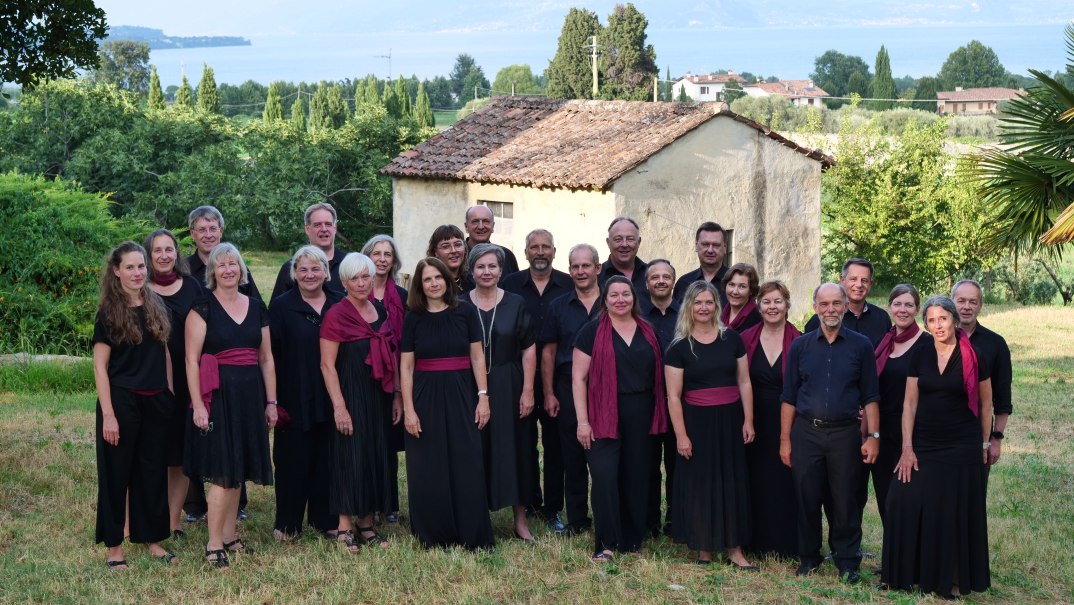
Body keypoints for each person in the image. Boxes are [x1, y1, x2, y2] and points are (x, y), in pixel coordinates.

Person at [882, 296, 993, 599]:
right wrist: (907, 447)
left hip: (962, 444)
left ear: (955, 320)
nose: (938, 325)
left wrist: (985, 443)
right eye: (931, 320)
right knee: (900, 498)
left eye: (943, 318)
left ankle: (952, 579)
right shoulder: (920, 353)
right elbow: (909, 403)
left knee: (952, 510)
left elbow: (986, 405)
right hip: (924, 442)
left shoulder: (976, 355)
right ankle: (906, 574)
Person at [184, 243, 278, 569]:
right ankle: (213, 544)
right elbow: (191, 361)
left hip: (250, 396)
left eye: (233, 264)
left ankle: (229, 536)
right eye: (221, 265)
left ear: (241, 269)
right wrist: (198, 405)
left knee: (238, 471)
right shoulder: (202, 308)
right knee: (224, 471)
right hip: (218, 396)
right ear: (212, 271)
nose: (228, 269)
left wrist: (271, 402)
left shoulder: (257, 307)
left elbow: (266, 358)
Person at [780, 283, 880, 584]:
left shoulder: (861, 346)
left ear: (846, 306)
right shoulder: (800, 346)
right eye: (824, 304)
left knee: (845, 499)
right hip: (806, 433)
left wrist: (873, 437)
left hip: (845, 434)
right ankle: (808, 557)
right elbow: (789, 397)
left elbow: (871, 396)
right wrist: (785, 440)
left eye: (836, 303)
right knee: (806, 497)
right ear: (815, 308)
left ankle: (847, 560)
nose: (830, 309)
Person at [400, 257, 494, 549]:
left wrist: (483, 397)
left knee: (467, 460)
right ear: (420, 285)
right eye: (427, 279)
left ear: (447, 279)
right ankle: (433, 534)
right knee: (429, 463)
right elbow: (406, 367)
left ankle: (470, 532)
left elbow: (477, 357)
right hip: (424, 396)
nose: (434, 283)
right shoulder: (413, 317)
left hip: (462, 393)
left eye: (438, 277)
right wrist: (409, 410)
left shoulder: (465, 311)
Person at [572, 276, 668, 562]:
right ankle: (606, 543)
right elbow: (578, 379)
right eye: (614, 295)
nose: (620, 300)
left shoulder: (648, 330)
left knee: (636, 475)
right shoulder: (591, 332)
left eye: (626, 294)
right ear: (605, 299)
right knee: (604, 476)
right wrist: (582, 422)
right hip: (602, 413)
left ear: (634, 298)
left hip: (642, 412)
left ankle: (631, 540)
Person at [93, 242, 176, 569]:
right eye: (130, 267)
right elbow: (100, 367)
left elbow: (164, 352)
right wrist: (109, 415)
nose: (137, 272)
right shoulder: (108, 312)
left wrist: (168, 393)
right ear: (116, 271)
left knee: (152, 473)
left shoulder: (156, 304)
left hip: (155, 401)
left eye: (141, 266)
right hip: (122, 401)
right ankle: (115, 548)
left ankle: (151, 538)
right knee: (116, 475)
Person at [665, 281, 756, 568]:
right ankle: (704, 548)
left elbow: (744, 381)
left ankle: (735, 550)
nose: (703, 308)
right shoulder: (679, 347)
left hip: (731, 420)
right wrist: (681, 435)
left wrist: (749, 420)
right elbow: (673, 396)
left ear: (717, 305)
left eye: (709, 302)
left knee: (732, 480)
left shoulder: (732, 339)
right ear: (689, 307)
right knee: (701, 483)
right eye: (698, 302)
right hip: (697, 422)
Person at [320, 252, 398, 551]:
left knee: (374, 454)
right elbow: (327, 365)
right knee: (349, 458)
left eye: (366, 276)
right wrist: (339, 407)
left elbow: (391, 354)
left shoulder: (379, 310)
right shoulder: (336, 314)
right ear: (344, 282)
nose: (362, 283)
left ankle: (366, 524)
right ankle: (344, 527)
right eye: (355, 278)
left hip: (378, 394)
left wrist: (396, 396)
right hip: (350, 394)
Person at [183, 206, 256, 520]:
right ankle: (195, 505)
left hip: (234, 369)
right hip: (195, 357)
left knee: (233, 436)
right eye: (201, 229)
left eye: (213, 228)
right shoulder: (185, 270)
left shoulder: (237, 267)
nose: (208, 234)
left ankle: (236, 505)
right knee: (199, 435)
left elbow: (255, 313)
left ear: (221, 231)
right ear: (192, 234)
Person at [268, 246, 342, 541]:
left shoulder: (339, 302)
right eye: (303, 270)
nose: (309, 275)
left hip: (332, 392)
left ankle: (326, 519)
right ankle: (288, 522)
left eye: (315, 269)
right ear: (294, 274)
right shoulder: (281, 306)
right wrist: (272, 399)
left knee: (328, 457)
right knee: (292, 460)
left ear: (326, 272)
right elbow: (270, 355)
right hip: (294, 392)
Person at [465, 243, 537, 542]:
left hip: (510, 382)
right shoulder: (460, 304)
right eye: (480, 266)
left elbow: (529, 348)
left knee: (516, 449)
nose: (487, 271)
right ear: (471, 271)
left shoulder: (516, 303)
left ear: (501, 270)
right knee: (474, 449)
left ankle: (520, 521)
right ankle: (476, 518)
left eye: (492, 266)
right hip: (470, 386)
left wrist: (528, 390)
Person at [501, 229, 571, 533]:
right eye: (534, 247)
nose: (540, 252)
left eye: (545, 247)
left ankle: (552, 508)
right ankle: (528, 502)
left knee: (556, 446)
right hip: (520, 378)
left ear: (554, 251)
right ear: (526, 252)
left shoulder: (568, 284)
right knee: (524, 443)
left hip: (559, 379)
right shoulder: (510, 284)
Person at [144, 229, 205, 540]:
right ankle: (146, 517)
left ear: (177, 253)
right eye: (157, 250)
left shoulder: (192, 286)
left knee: (179, 456)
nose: (164, 255)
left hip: (187, 380)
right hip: (148, 379)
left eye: (169, 249)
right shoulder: (140, 287)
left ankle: (173, 521)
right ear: (148, 255)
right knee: (151, 452)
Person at [539, 244, 602, 535]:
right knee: (573, 455)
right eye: (575, 266)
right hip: (566, 386)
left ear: (597, 268)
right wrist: (549, 392)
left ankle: (607, 514)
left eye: (586, 265)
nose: (580, 271)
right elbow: (549, 353)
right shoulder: (558, 306)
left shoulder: (613, 301)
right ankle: (577, 520)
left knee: (605, 454)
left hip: (606, 387)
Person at [739, 280, 801, 557]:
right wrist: (745, 419)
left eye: (778, 301)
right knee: (756, 477)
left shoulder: (800, 340)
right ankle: (755, 542)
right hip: (753, 418)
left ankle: (786, 543)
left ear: (787, 305)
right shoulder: (745, 339)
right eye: (766, 302)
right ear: (758, 306)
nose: (772, 307)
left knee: (785, 478)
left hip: (790, 418)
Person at [872, 284, 930, 524]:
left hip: (914, 432)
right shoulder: (883, 342)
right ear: (889, 307)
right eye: (897, 304)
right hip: (882, 432)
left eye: (909, 305)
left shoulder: (927, 344)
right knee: (885, 498)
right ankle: (892, 548)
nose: (902, 310)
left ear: (917, 309)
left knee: (908, 499)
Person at [362, 234, 408, 523]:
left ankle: (388, 505)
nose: (381, 259)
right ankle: (367, 503)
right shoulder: (355, 292)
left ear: (393, 261)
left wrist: (400, 393)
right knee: (366, 442)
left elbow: (406, 347)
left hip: (394, 378)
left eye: (387, 254)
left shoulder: (402, 297)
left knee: (388, 444)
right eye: (376, 253)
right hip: (363, 376)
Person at [952, 279, 1012, 474]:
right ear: (952, 302)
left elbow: (1003, 397)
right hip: (940, 431)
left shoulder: (995, 344)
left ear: (980, 306)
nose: (966, 307)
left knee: (974, 489)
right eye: (961, 301)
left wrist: (996, 439)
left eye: (973, 302)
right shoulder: (936, 340)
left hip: (978, 433)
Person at [640, 259, 680, 536]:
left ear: (674, 281)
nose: (661, 281)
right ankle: (650, 521)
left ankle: (677, 520)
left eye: (666, 276)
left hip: (681, 400)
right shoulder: (638, 316)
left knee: (679, 463)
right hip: (648, 400)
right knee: (648, 463)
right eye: (655, 277)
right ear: (647, 284)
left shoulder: (686, 313)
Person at [270, 203, 348, 300]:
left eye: (328, 224)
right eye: (317, 225)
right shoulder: (290, 268)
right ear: (307, 229)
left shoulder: (350, 264)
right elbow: (278, 307)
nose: (324, 229)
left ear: (335, 228)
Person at [804, 258, 890, 346]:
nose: (859, 285)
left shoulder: (882, 319)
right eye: (853, 279)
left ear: (870, 284)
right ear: (842, 280)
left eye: (864, 280)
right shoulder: (821, 319)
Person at [674, 221, 730, 307]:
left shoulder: (734, 283)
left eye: (716, 245)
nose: (710, 250)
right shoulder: (683, 283)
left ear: (725, 247)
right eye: (705, 244)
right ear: (696, 246)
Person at [463, 204, 519, 276]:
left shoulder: (507, 256)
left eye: (486, 221)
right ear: (466, 227)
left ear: (493, 226)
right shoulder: (456, 256)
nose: (481, 227)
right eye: (475, 221)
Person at [598, 217, 647, 293]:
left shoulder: (651, 275)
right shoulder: (596, 278)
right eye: (618, 239)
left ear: (639, 242)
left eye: (630, 239)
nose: (624, 244)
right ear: (608, 243)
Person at [427, 224, 474, 294]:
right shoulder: (432, 285)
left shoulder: (473, 280)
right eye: (446, 247)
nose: (453, 251)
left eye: (458, 245)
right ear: (435, 252)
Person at [721, 263, 762, 333]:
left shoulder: (757, 318)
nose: (735, 292)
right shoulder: (721, 312)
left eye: (742, 286)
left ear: (751, 290)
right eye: (731, 285)